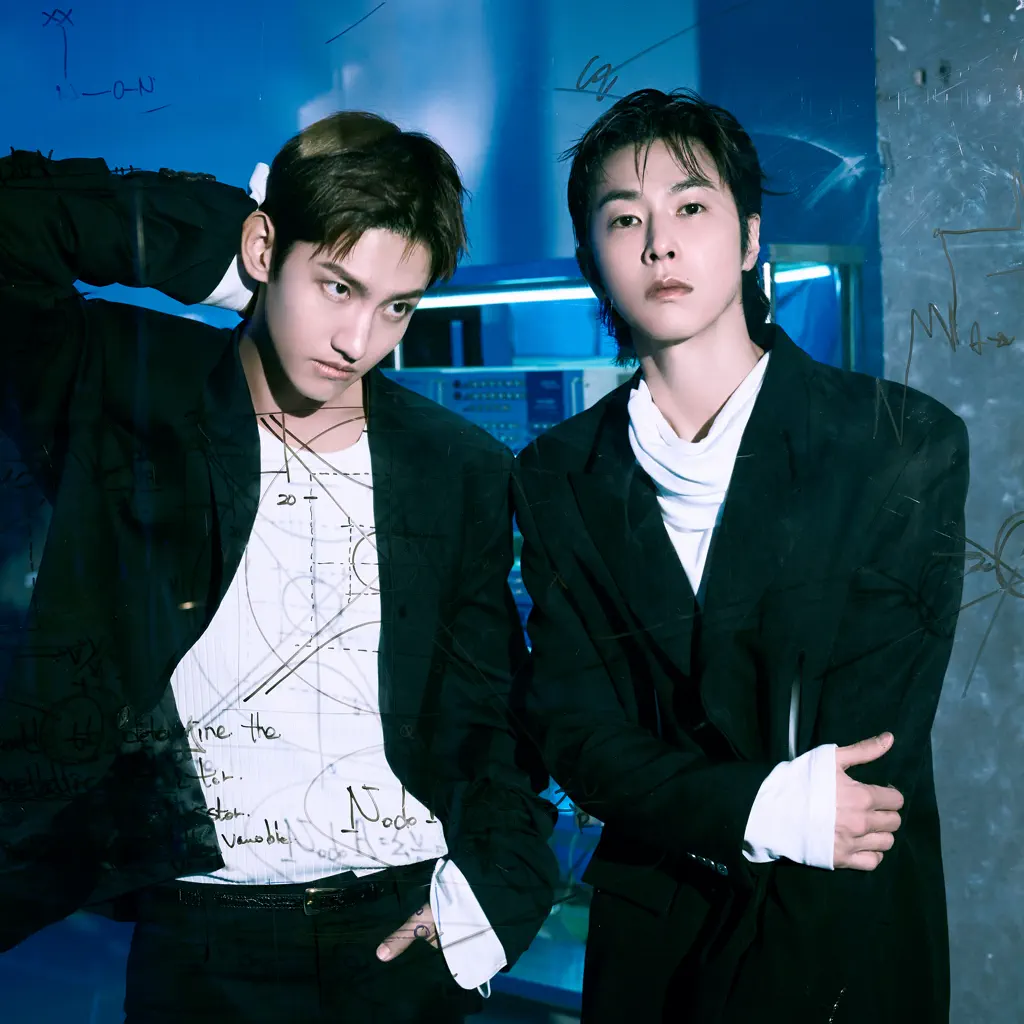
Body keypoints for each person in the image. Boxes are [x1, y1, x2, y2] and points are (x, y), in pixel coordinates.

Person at [0, 111, 557, 1023]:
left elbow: (487, 714)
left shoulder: (455, 465)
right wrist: (216, 246)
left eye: (397, 307)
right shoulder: (134, 391)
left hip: (403, 933)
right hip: (203, 938)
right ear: (267, 248)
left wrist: (501, 893)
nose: (359, 340)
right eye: (337, 286)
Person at [512, 88, 968, 1023]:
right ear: (592, 261)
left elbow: (863, 764)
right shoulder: (557, 473)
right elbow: (578, 734)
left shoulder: (899, 443)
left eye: (691, 207)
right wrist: (762, 806)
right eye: (624, 219)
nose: (659, 245)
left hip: (842, 940)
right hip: (657, 942)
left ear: (751, 237)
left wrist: (700, 792)